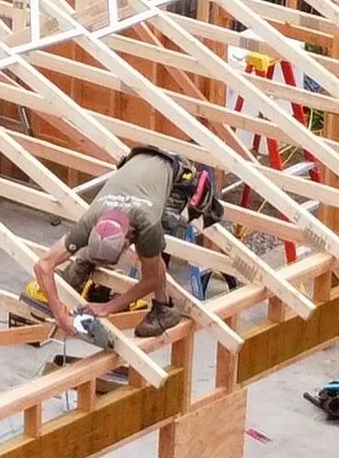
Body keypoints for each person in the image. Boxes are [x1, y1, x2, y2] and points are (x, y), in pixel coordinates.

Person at [30, 146, 220, 341]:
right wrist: (60, 316)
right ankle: (85, 262)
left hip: (175, 171)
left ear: (129, 235)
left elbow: (151, 279)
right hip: (136, 160)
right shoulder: (91, 218)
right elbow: (43, 265)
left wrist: (108, 307)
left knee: (149, 252)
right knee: (129, 249)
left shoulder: (147, 225)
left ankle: (163, 308)